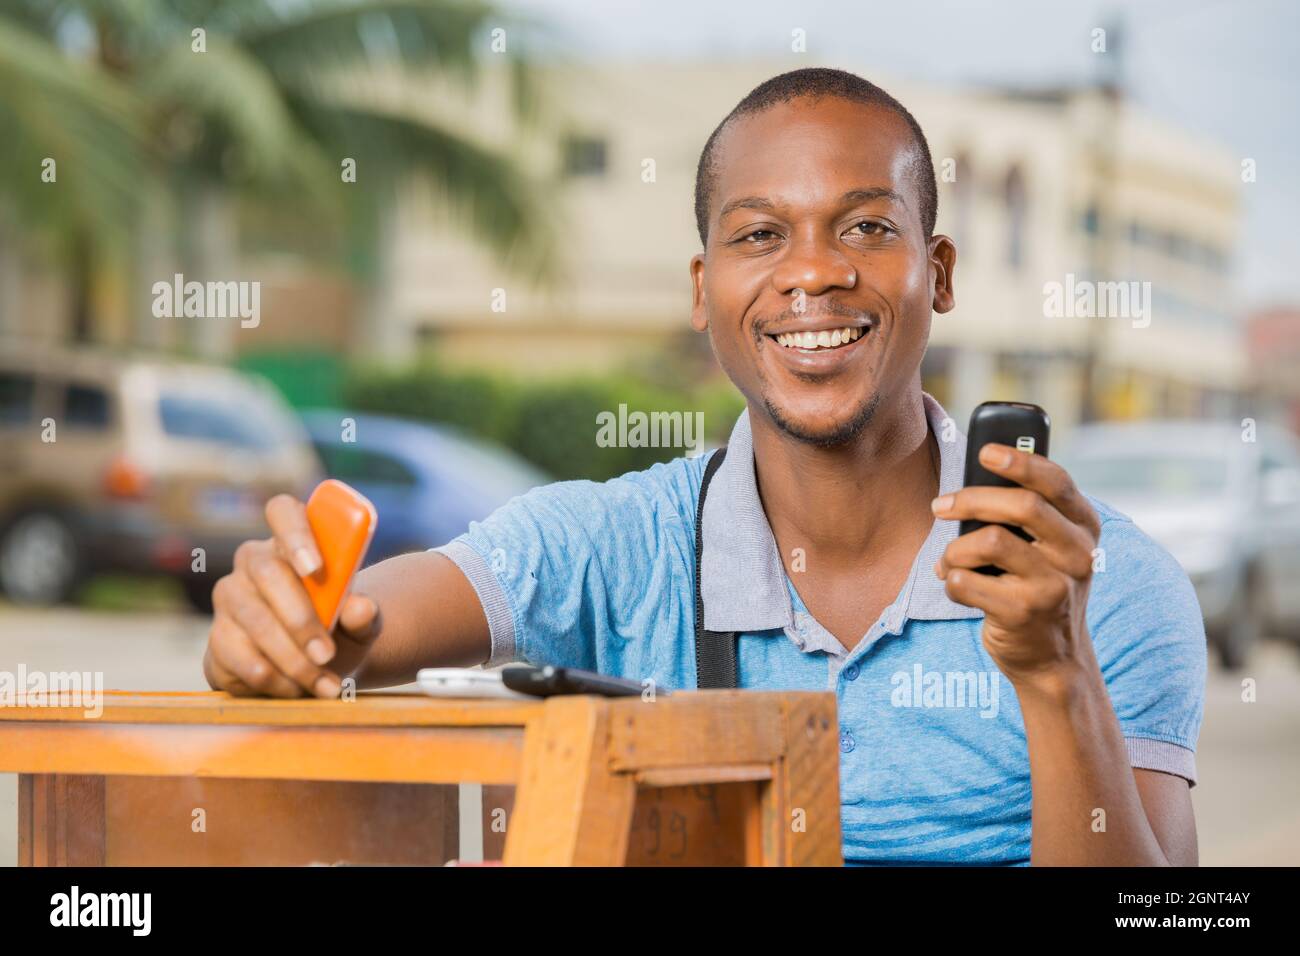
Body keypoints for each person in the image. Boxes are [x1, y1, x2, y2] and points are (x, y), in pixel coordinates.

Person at [203, 67, 1205, 865]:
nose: (812, 272)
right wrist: (290, 627)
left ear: (935, 272)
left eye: (865, 225)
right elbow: (373, 627)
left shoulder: (1112, 590)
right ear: (704, 288)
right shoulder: (614, 545)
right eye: (760, 235)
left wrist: (1056, 671)